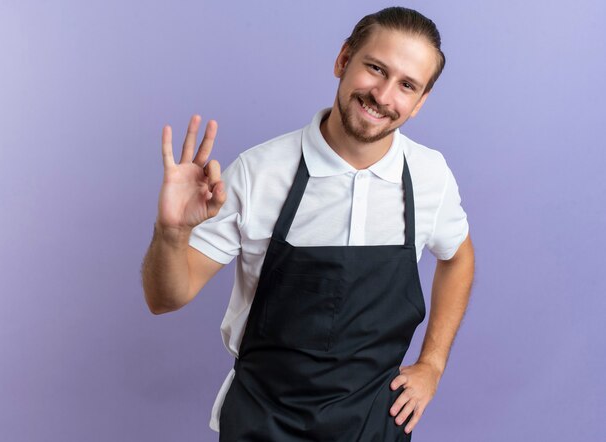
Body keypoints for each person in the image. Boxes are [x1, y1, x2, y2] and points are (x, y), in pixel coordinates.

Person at [142, 6, 475, 441]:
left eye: (407, 85)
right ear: (343, 60)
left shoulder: (430, 176)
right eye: (375, 68)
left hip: (374, 425)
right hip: (264, 422)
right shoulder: (259, 172)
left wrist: (432, 364)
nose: (383, 94)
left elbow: (458, 257)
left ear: (419, 102)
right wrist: (171, 232)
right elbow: (165, 298)